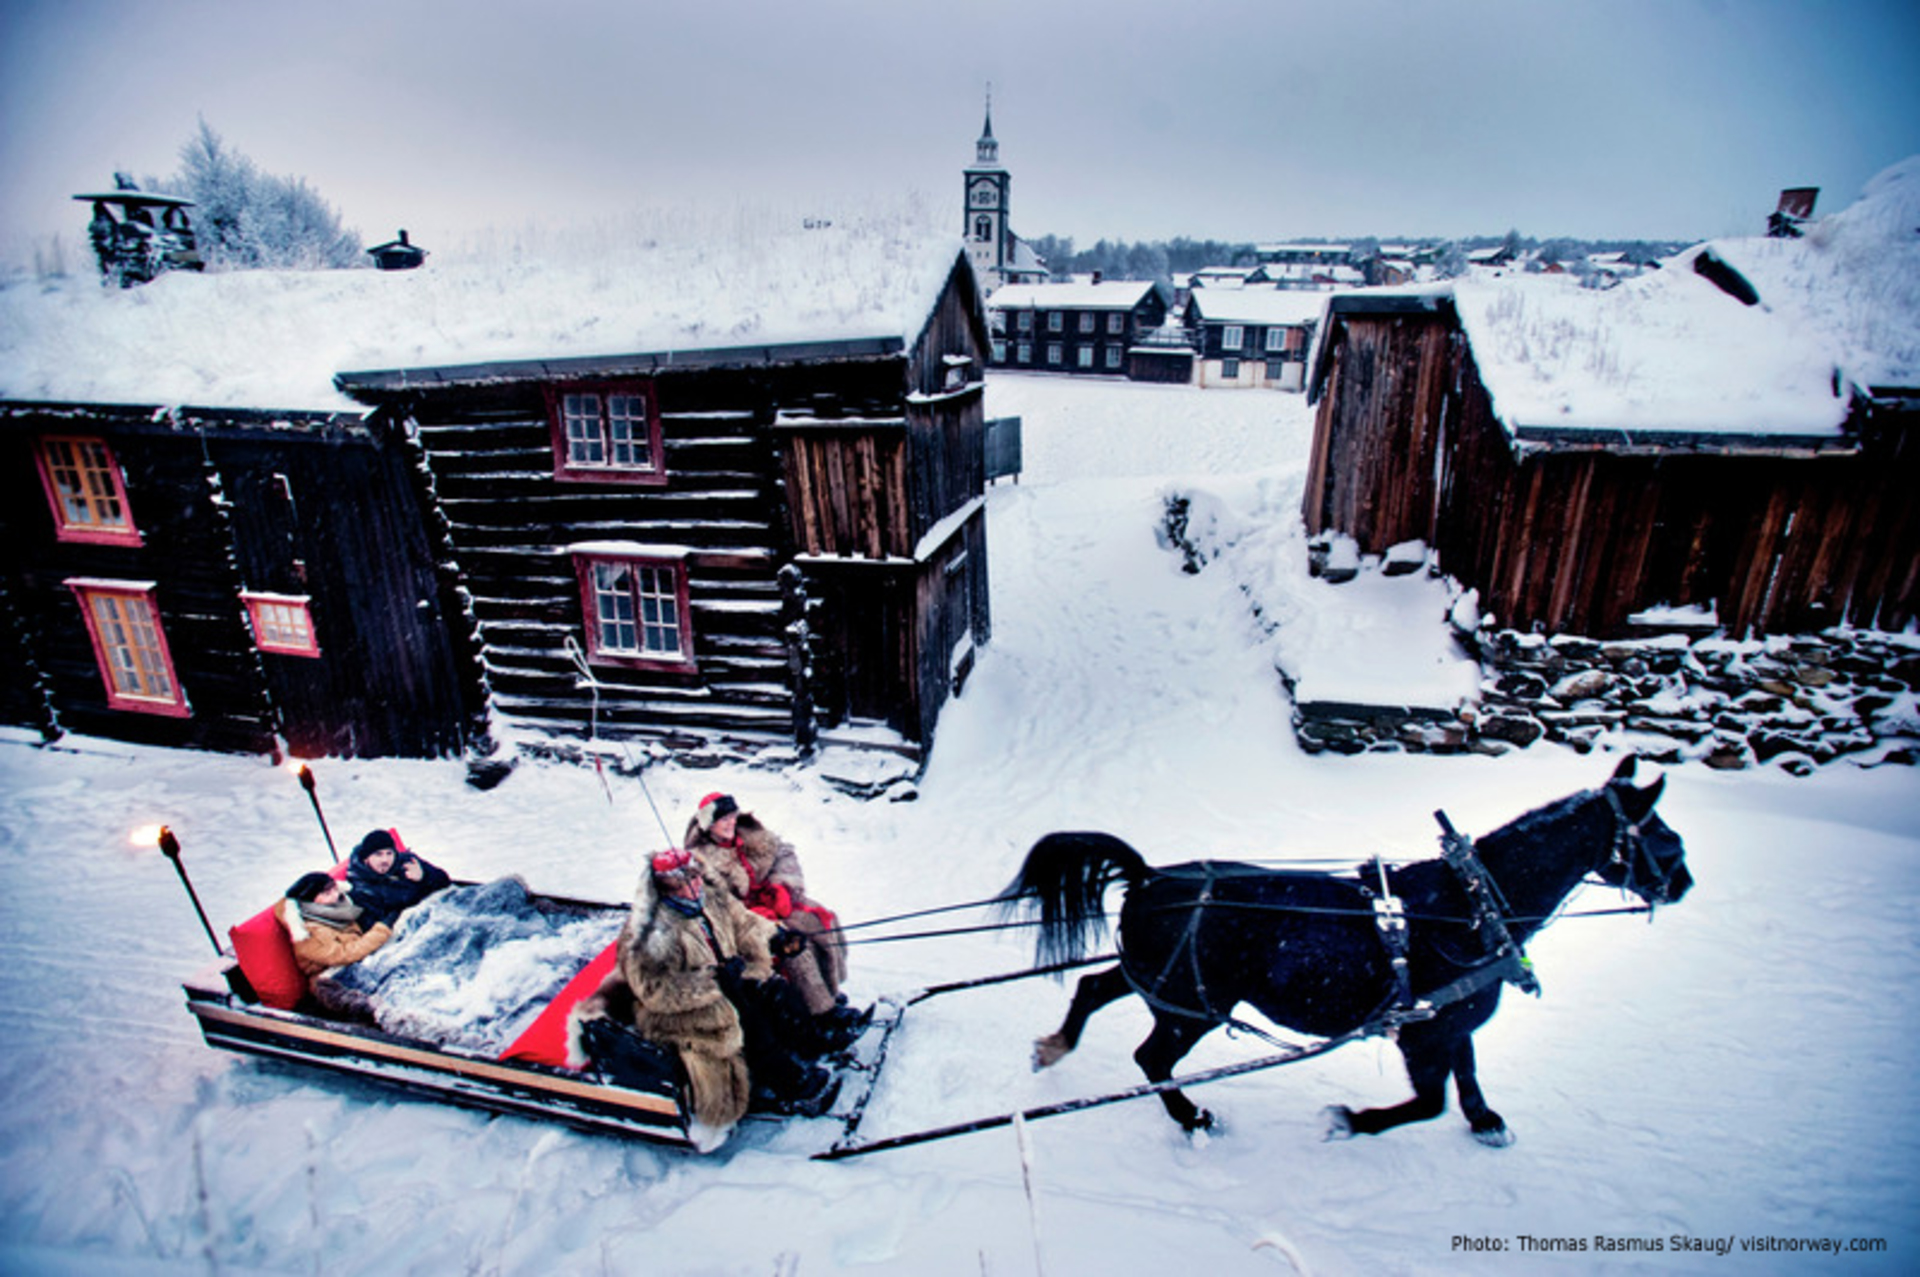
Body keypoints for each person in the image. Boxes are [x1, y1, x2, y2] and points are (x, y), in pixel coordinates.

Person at [572, 850, 836, 1152]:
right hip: (677, 1009)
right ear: (665, 888)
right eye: (685, 884)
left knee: (773, 990)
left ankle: (799, 1049)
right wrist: (713, 980)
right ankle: (789, 1087)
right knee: (742, 1017)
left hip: (725, 980)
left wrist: (775, 936)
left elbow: (744, 921)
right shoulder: (648, 932)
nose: (695, 887)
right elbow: (656, 990)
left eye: (696, 878)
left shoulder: (709, 897)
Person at [684, 793, 868, 1050]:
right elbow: (720, 904)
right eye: (722, 819)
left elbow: (783, 853)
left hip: (771, 900)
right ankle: (821, 1016)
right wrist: (758, 914)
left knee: (821, 919)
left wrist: (781, 886)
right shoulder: (701, 858)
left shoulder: (750, 834)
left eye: (731, 816)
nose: (730, 823)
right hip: (743, 921)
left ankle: (829, 993)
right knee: (793, 946)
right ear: (708, 824)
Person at [278, 871, 392, 990]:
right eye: (327, 893)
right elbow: (344, 954)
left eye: (334, 889)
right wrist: (381, 931)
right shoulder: (308, 932)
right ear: (310, 900)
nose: (335, 895)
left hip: (358, 963)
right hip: (331, 980)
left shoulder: (337, 908)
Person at [345, 829, 450, 929]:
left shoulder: (407, 862)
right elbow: (377, 927)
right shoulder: (361, 889)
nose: (385, 860)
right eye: (378, 854)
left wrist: (424, 876)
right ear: (366, 859)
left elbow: (445, 880)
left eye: (389, 853)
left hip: (440, 912)